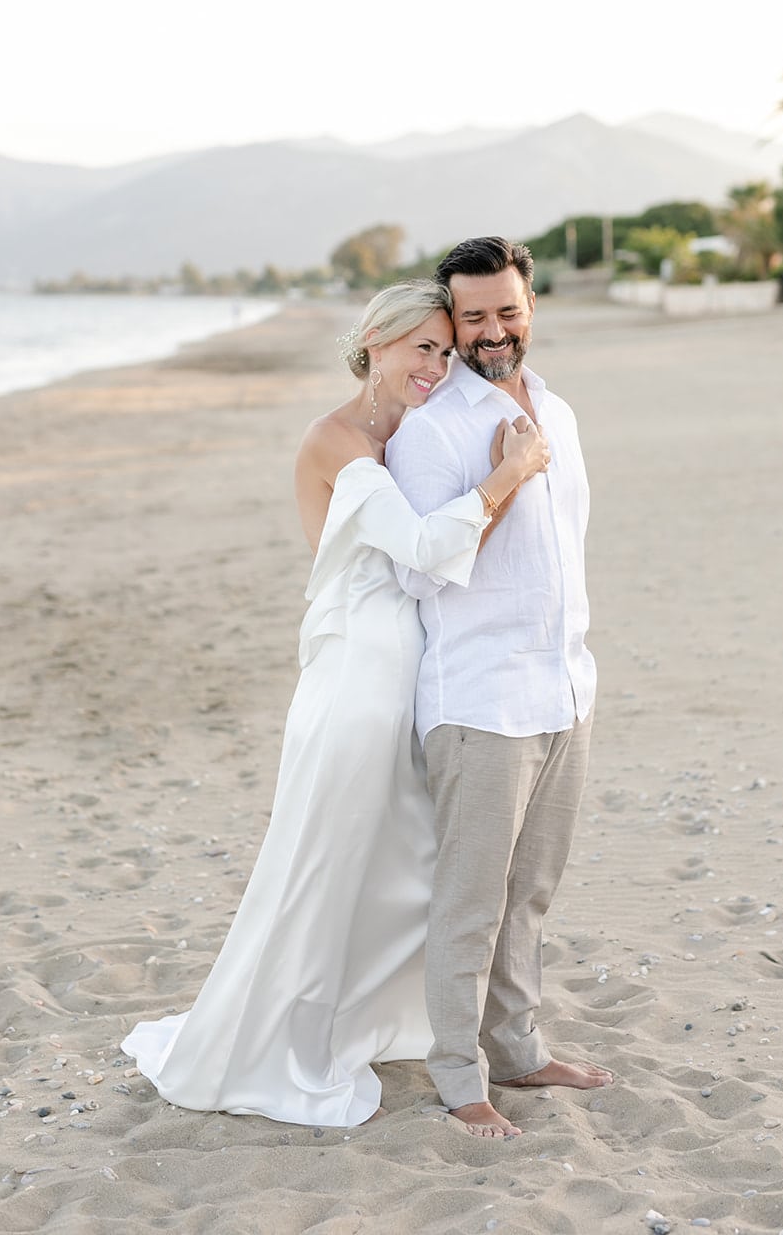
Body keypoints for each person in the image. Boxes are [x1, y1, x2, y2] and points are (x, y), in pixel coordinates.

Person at [121, 279, 549, 1127]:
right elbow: (425, 547)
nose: (434, 364)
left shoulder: (412, 436)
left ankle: (372, 1019)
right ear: (374, 345)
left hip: (410, 667)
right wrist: (512, 471)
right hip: (357, 672)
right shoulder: (338, 439)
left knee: (400, 858)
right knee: (326, 858)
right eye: (418, 348)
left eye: (443, 349)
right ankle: (271, 1038)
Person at [386, 238, 612, 1139]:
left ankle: (517, 1049)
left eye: (505, 311)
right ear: (449, 320)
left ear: (530, 305)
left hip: (563, 687)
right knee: (471, 899)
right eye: (471, 317)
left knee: (532, 891)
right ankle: (458, 1073)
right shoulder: (433, 429)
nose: (490, 332)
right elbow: (421, 572)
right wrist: (505, 477)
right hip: (479, 701)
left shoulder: (557, 407)